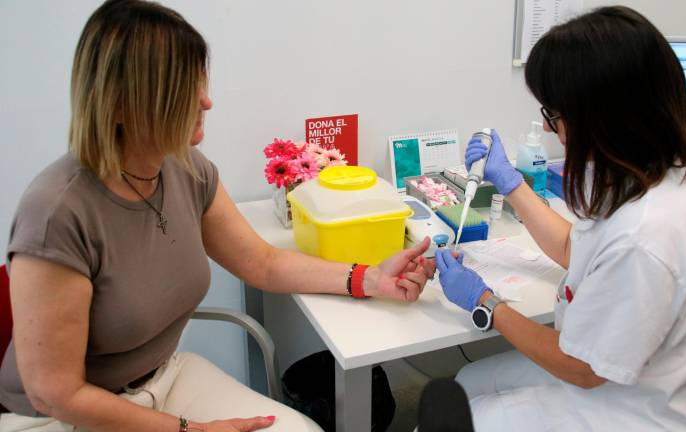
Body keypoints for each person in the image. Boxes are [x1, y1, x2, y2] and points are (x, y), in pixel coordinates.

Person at [0, 1, 435, 431]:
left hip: (162, 379)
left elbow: (263, 263)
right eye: (182, 88)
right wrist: (192, 431)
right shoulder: (56, 213)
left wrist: (370, 279)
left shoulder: (187, 168)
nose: (206, 101)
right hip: (64, 415)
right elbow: (54, 392)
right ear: (119, 105)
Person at [435, 6, 686, 431]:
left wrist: (486, 303)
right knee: (465, 383)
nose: (549, 125)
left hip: (640, 410)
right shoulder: (655, 168)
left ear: (603, 117)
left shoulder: (647, 235)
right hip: (630, 371)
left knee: (455, 418)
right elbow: (581, 250)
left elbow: (581, 368)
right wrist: (511, 183)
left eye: (554, 115)